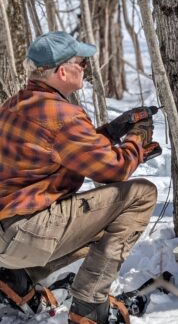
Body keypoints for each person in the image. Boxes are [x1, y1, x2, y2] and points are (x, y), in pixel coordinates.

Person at [0, 31, 159, 323]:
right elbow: (115, 170)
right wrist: (138, 137)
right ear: (62, 71)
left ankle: (14, 279)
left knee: (102, 221)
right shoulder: (63, 115)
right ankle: (90, 306)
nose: (85, 68)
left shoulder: (14, 105)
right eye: (81, 63)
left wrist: (111, 132)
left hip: (6, 235)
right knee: (141, 196)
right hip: (25, 234)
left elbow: (60, 154)